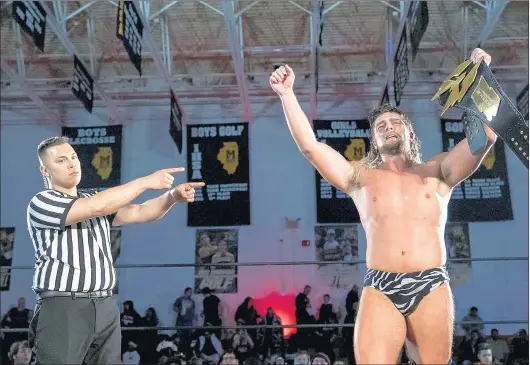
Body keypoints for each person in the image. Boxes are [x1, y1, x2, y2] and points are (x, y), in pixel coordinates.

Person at [270, 48, 497, 364]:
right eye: (381, 126)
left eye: (395, 122)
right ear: (373, 142)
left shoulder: (438, 170)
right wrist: (287, 94)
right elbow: (311, 146)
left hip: (430, 282)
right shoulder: (360, 176)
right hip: (381, 285)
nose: (389, 126)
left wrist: (481, 76)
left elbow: (484, 136)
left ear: (410, 132)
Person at [26, 136, 205, 364]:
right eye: (61, 160)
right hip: (64, 306)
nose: (72, 164)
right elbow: (96, 206)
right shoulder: (43, 202)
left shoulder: (93, 198)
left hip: (105, 305)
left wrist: (171, 197)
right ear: (45, 170)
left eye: (73, 157)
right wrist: (145, 182)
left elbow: (139, 212)